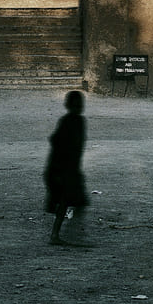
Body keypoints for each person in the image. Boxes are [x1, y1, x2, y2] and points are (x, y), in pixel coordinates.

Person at [45, 90, 89, 245]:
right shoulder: (67, 122)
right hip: (62, 168)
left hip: (72, 169)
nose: (78, 108)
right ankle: (58, 235)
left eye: (80, 105)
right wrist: (58, 171)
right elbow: (57, 144)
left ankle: (71, 231)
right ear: (69, 106)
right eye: (75, 106)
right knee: (64, 202)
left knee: (79, 202)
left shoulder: (80, 122)